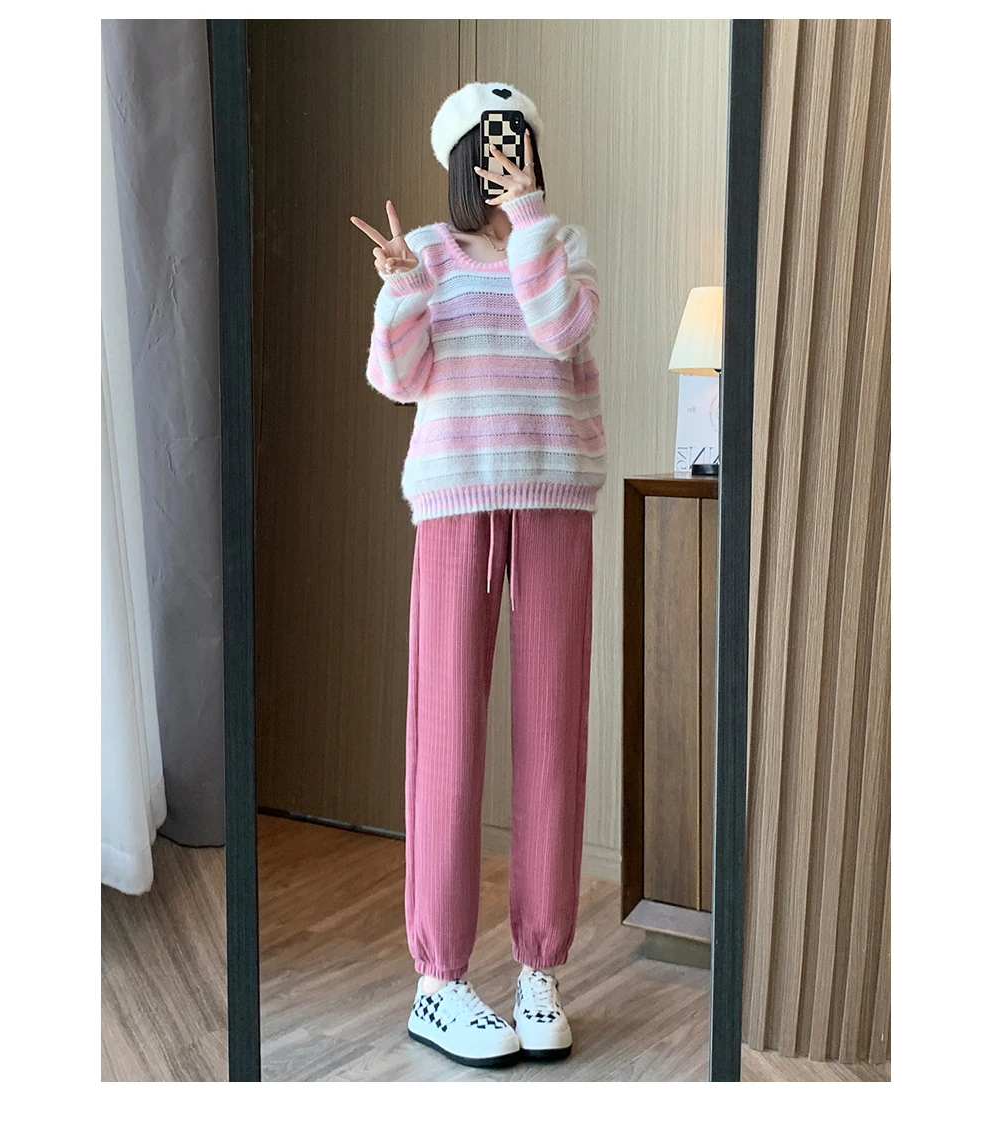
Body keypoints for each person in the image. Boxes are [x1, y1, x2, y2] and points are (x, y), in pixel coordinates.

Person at [350, 81, 607, 1068]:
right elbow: (397, 379)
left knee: (551, 733)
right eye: (492, 141)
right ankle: (439, 983)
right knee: (446, 737)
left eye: (520, 137)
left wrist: (531, 217)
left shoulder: (563, 245)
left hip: (554, 495)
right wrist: (401, 291)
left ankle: (539, 966)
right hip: (456, 496)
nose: (507, 152)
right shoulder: (422, 250)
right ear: (462, 155)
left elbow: (559, 331)